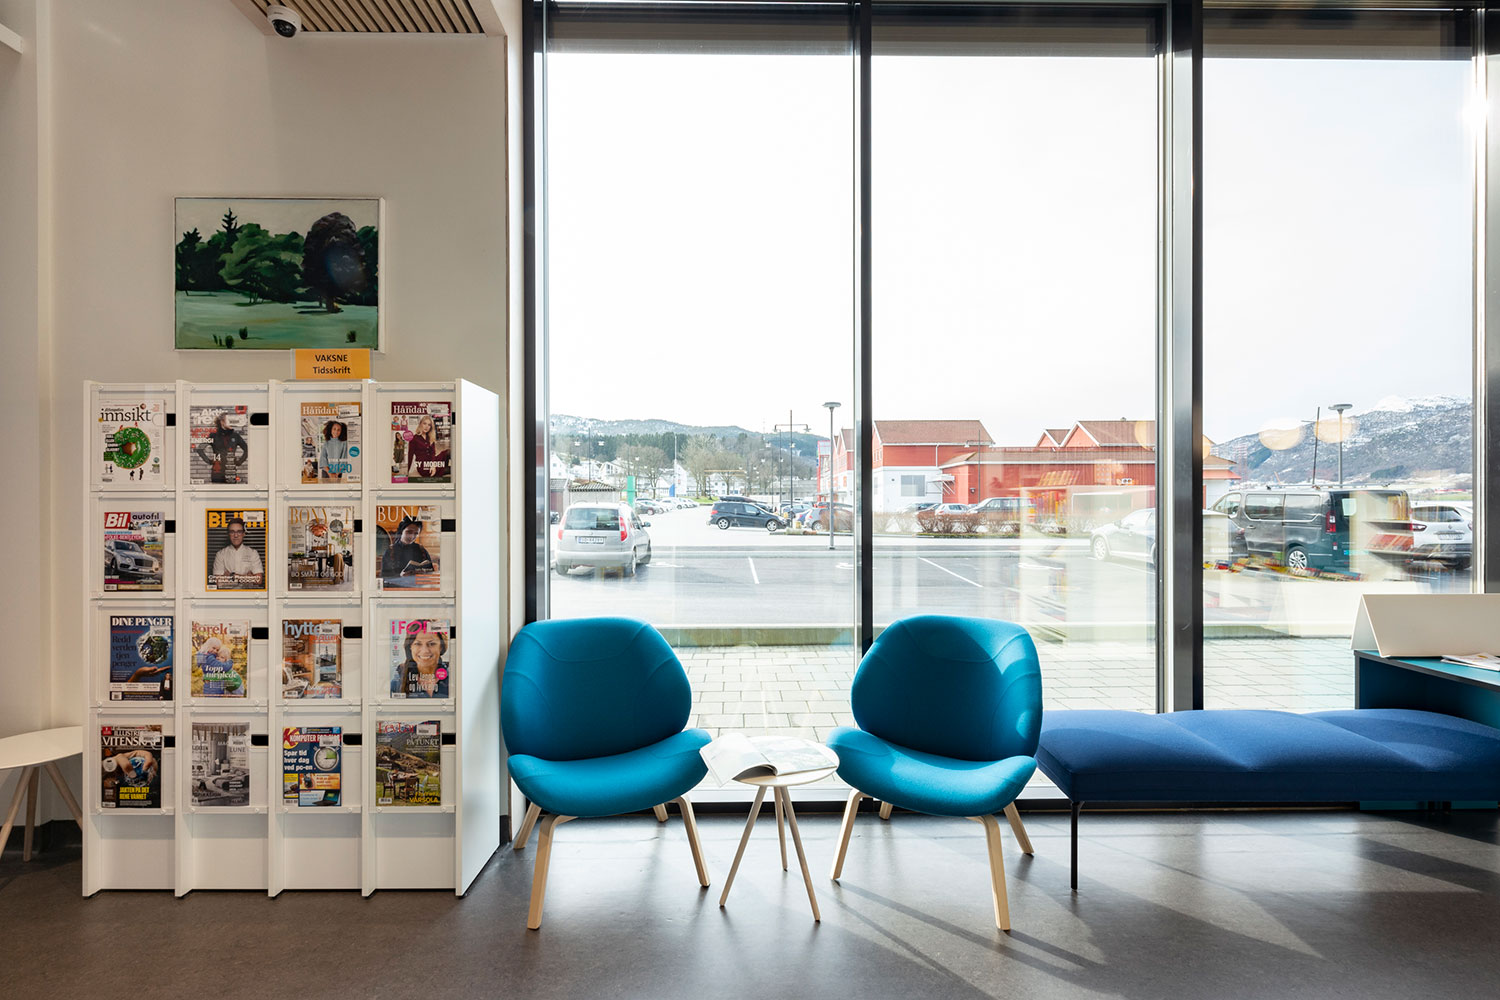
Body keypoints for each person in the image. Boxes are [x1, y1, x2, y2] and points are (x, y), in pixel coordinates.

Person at [392, 621, 449, 698]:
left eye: (432, 644)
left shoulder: (453, 674)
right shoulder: (398, 681)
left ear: (441, 647)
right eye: (418, 644)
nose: (425, 651)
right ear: (410, 647)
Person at [210, 516, 264, 586]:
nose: (236, 535)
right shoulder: (220, 554)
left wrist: (232, 577)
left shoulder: (253, 553)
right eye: (232, 532)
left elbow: (258, 580)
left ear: (244, 533)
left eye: (239, 532)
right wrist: (247, 578)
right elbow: (218, 582)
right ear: (228, 534)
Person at [379, 517, 434, 587]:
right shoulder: (390, 551)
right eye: (409, 532)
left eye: (416, 533)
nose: (412, 536)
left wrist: (423, 572)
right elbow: (385, 579)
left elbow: (431, 573)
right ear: (402, 531)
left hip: (418, 589)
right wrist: (400, 577)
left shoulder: (421, 550)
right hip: (398, 590)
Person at [197, 412, 249, 483]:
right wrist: (209, 461)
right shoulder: (213, 435)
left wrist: (239, 462)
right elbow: (199, 449)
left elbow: (247, 449)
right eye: (229, 420)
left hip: (231, 472)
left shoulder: (235, 436)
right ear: (222, 422)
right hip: (217, 473)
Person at [406, 413, 450, 481]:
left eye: (429, 425)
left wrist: (433, 465)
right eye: (425, 423)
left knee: (448, 452)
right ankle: (443, 468)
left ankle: (443, 466)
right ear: (420, 424)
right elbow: (410, 456)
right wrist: (407, 472)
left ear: (430, 427)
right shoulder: (414, 439)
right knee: (449, 469)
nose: (426, 427)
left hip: (433, 461)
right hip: (424, 467)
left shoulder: (430, 437)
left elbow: (433, 453)